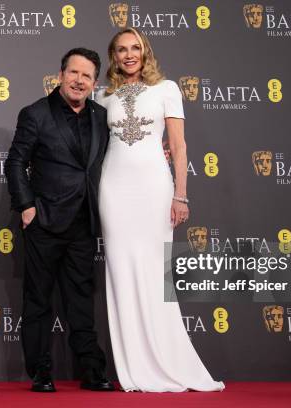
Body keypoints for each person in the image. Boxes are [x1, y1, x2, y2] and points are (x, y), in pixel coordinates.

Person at [96, 27, 225, 392]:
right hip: (114, 190)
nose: (129, 54)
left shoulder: (167, 89)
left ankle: (167, 360)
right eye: (121, 49)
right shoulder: (103, 96)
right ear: (114, 56)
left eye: (135, 47)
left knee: (156, 274)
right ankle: (132, 368)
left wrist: (180, 195)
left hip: (154, 189)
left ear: (145, 51)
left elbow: (179, 147)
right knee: (121, 271)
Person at [6, 48, 114, 393]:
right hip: (44, 221)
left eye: (87, 76)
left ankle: (92, 370)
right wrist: (26, 207)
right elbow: (15, 162)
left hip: (84, 223)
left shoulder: (101, 115)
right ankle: (40, 371)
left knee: (81, 299)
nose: (79, 80)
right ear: (61, 74)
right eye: (74, 73)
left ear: (95, 83)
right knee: (38, 299)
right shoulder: (36, 113)